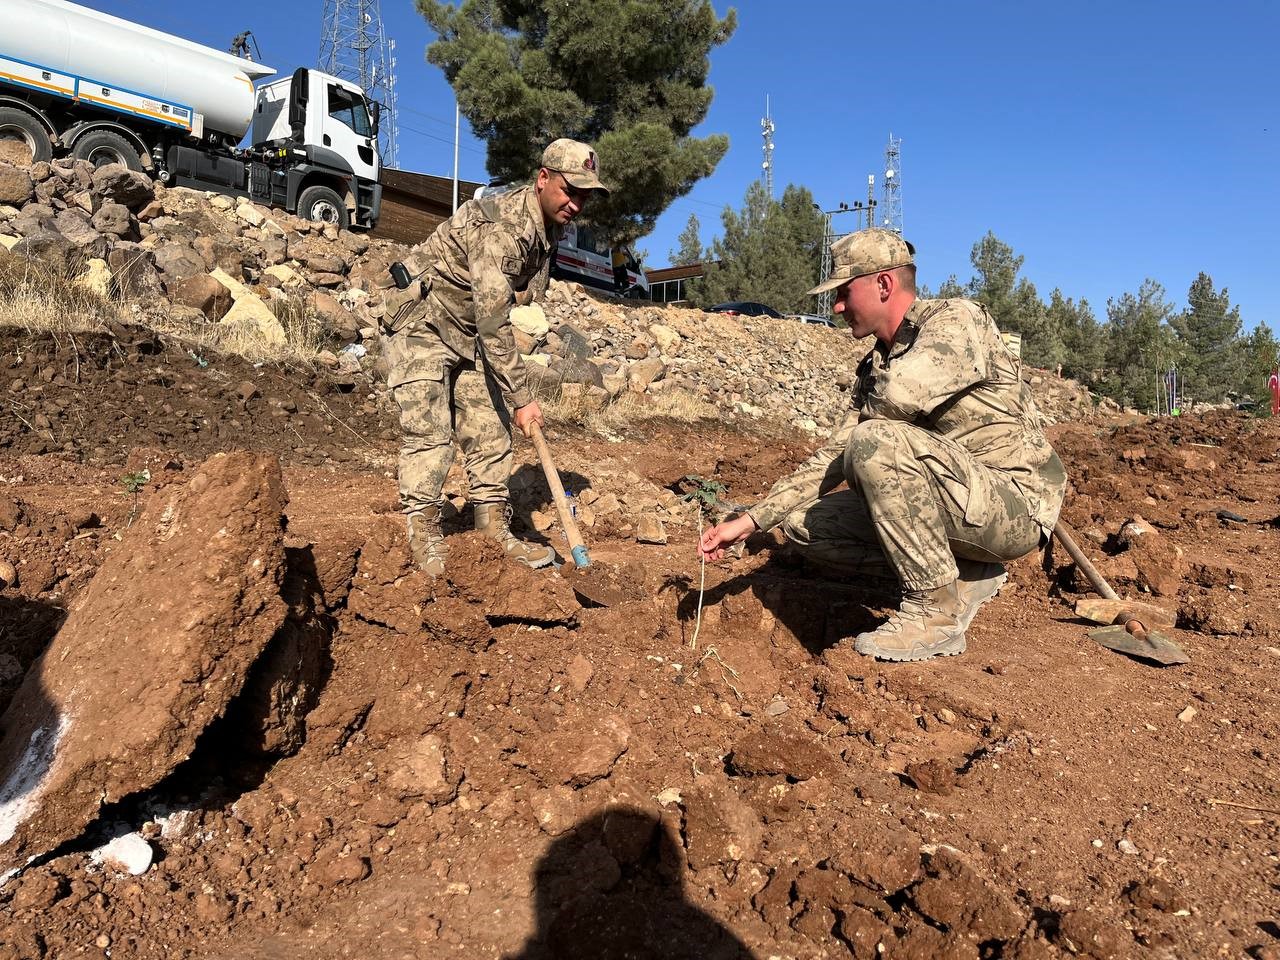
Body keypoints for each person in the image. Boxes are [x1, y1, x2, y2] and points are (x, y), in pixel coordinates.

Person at [698, 229, 1068, 662]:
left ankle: (934, 615)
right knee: (802, 524)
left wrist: (860, 428)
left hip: (1012, 505)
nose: (836, 307)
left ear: (884, 285)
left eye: (843, 293)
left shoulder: (956, 321)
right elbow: (833, 455)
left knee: (874, 441)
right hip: (957, 503)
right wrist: (753, 520)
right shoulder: (876, 363)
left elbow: (895, 402)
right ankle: (964, 575)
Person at [381, 139, 608, 576]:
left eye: (584, 196)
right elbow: (493, 320)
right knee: (430, 433)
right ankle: (423, 534)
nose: (576, 204)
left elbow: (504, 309)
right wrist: (523, 397)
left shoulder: (548, 228)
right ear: (543, 179)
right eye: (569, 190)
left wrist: (511, 396)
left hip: (470, 331)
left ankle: (491, 531)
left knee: (489, 427)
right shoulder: (505, 227)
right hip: (423, 320)